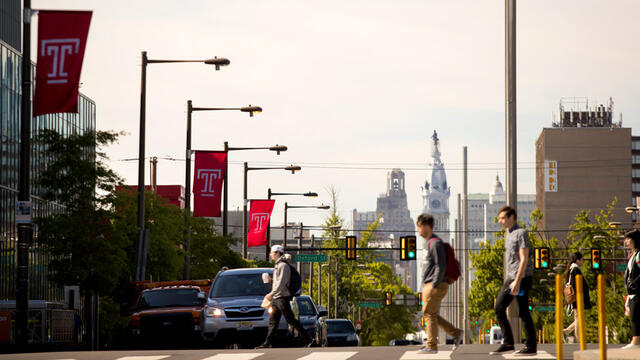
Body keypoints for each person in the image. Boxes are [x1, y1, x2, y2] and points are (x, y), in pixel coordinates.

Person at [491, 206, 536, 355]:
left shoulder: (520, 233)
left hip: (520, 278)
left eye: (503, 218)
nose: (500, 221)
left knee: (504, 308)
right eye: (499, 218)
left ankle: (521, 344)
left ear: (512, 217)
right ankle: (515, 343)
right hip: (513, 278)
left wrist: (517, 281)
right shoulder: (508, 234)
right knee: (518, 310)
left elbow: (524, 259)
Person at [416, 213, 462, 354]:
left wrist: (435, 284)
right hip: (429, 283)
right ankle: (455, 333)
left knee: (429, 314)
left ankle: (432, 345)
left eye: (418, 227)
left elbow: (440, 265)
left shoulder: (435, 243)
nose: (417, 231)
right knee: (431, 313)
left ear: (426, 226)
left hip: (435, 283)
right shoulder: (428, 243)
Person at [256, 245, 313, 349]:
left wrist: (270, 294)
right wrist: (271, 280)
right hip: (277, 298)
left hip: (282, 298)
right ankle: (268, 343)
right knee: (273, 321)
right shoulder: (278, 265)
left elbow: (282, 283)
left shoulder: (283, 266)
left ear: (277, 253)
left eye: (272, 253)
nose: (270, 254)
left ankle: (308, 339)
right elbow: (279, 282)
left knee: (291, 320)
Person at [562, 252, 591, 341]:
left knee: (579, 317)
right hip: (578, 298)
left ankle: (566, 331)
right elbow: (576, 284)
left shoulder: (572, 269)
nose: (583, 262)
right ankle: (579, 338)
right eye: (582, 260)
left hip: (577, 298)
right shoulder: (575, 269)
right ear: (577, 260)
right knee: (579, 318)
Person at [623, 229, 640, 349]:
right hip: (632, 292)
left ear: (635, 240)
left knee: (636, 317)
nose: (626, 241)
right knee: (634, 316)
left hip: (638, 291)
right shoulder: (633, 254)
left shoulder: (639, 254)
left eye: (628, 239)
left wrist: (634, 283)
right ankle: (635, 342)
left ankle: (635, 342)